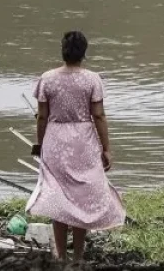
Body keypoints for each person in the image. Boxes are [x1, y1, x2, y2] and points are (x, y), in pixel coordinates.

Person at [26, 31, 125, 261]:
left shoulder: (47, 79)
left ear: (63, 51)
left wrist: (41, 144)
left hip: (55, 140)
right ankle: (78, 256)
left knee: (58, 196)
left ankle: (61, 256)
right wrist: (106, 148)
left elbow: (42, 117)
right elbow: (98, 115)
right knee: (82, 198)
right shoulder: (92, 79)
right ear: (84, 53)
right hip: (83, 141)